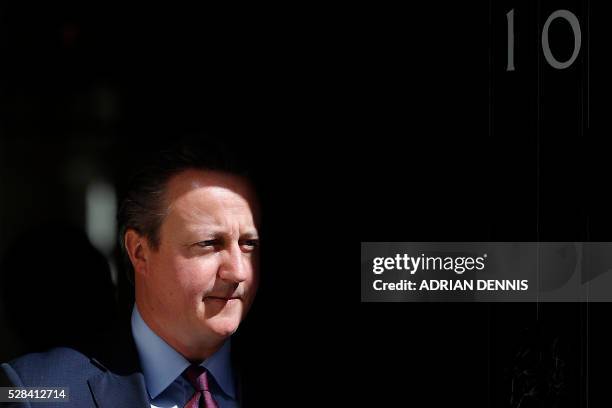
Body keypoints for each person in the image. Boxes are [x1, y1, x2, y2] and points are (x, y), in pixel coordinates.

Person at [1, 142, 261, 407]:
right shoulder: (35, 390)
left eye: (248, 244)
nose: (238, 272)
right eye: (208, 244)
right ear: (139, 252)